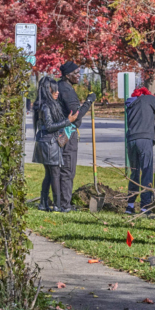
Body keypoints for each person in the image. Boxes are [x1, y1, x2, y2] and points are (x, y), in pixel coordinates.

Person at [33, 77, 78, 212]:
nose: (57, 92)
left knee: (49, 174)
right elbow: (50, 126)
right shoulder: (46, 106)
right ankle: (58, 206)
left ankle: (43, 203)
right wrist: (68, 121)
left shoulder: (45, 104)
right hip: (49, 143)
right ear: (47, 90)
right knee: (55, 173)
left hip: (45, 142)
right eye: (54, 89)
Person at [124, 87, 155, 214]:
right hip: (144, 141)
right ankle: (145, 206)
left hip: (131, 141)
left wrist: (153, 132)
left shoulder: (131, 104)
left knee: (134, 173)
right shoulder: (149, 99)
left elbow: (141, 121)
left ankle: (130, 205)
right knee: (146, 171)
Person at [57, 61, 95, 212]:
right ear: (67, 75)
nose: (79, 76)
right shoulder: (66, 90)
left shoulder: (59, 86)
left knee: (59, 168)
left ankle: (58, 201)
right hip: (67, 134)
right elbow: (76, 116)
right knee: (68, 169)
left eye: (80, 73)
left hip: (58, 131)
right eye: (76, 73)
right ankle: (64, 205)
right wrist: (89, 101)